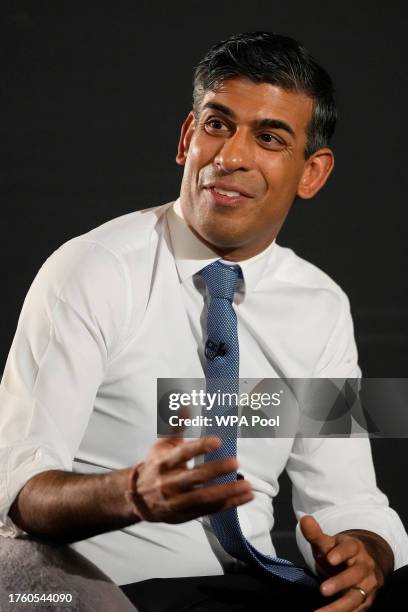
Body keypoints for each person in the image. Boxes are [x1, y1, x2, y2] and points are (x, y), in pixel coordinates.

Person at [0, 31, 407, 611]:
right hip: (108, 588)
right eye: (217, 125)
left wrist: (366, 553)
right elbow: (18, 491)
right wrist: (131, 494)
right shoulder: (94, 271)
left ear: (312, 173)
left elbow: (347, 499)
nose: (230, 156)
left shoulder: (319, 304)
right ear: (188, 137)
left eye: (268, 137)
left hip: (252, 587)